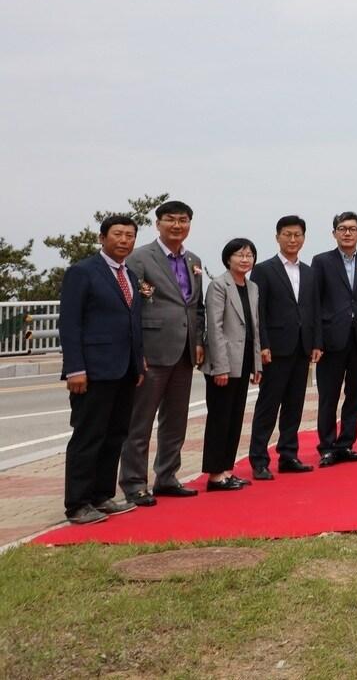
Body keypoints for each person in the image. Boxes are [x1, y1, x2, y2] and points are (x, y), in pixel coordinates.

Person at [58, 215, 145, 524]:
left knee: (115, 434)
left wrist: (138, 362)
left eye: (130, 236)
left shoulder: (129, 275)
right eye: (117, 234)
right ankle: (78, 503)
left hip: (125, 369)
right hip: (93, 370)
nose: (124, 240)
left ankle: (101, 496)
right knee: (88, 436)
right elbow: (70, 323)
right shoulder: (82, 272)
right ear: (102, 237)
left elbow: (133, 322)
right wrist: (75, 368)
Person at [120, 199, 205, 506]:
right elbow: (129, 308)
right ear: (158, 224)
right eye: (170, 219)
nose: (177, 225)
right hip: (152, 351)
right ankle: (134, 483)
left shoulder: (193, 259)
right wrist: (136, 351)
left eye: (183, 220)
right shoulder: (140, 258)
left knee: (176, 420)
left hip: (184, 351)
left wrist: (199, 340)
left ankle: (167, 476)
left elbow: (196, 306)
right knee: (140, 421)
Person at [248, 215, 322, 480]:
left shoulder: (310, 272)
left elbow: (314, 310)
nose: (292, 239)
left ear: (304, 238)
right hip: (275, 349)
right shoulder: (264, 270)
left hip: (302, 347)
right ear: (277, 237)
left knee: (294, 404)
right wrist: (263, 345)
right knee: (268, 405)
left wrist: (317, 342)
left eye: (297, 235)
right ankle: (259, 459)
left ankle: (289, 454)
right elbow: (258, 311)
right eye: (287, 234)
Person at [311, 212, 357, 467]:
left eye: (352, 228)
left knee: (356, 394)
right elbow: (314, 303)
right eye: (342, 228)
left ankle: (346, 443)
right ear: (334, 233)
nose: (347, 233)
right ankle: (327, 446)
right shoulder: (321, 262)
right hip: (331, 339)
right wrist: (316, 341)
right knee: (328, 395)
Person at [202, 239, 262, 492]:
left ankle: (227, 470)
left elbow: (255, 327)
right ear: (228, 258)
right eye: (239, 255)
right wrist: (220, 367)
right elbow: (214, 328)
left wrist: (257, 364)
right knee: (220, 417)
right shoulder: (219, 285)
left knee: (235, 417)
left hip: (244, 359)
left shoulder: (252, 287)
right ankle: (215, 475)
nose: (245, 260)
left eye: (249, 255)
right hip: (224, 362)